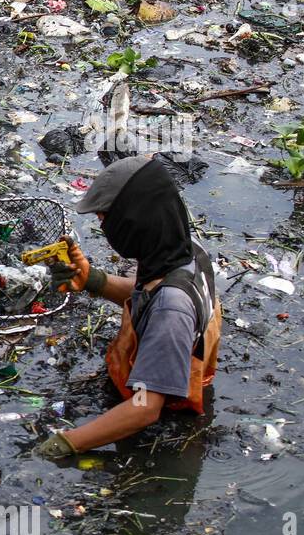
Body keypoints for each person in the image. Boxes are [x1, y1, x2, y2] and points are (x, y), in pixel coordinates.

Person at [34, 156, 221, 457]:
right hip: (159, 372)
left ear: (136, 219)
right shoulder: (184, 251)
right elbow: (146, 296)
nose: (102, 225)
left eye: (106, 217)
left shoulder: (172, 310)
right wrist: (92, 280)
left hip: (164, 425)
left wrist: (66, 443)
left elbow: (145, 410)